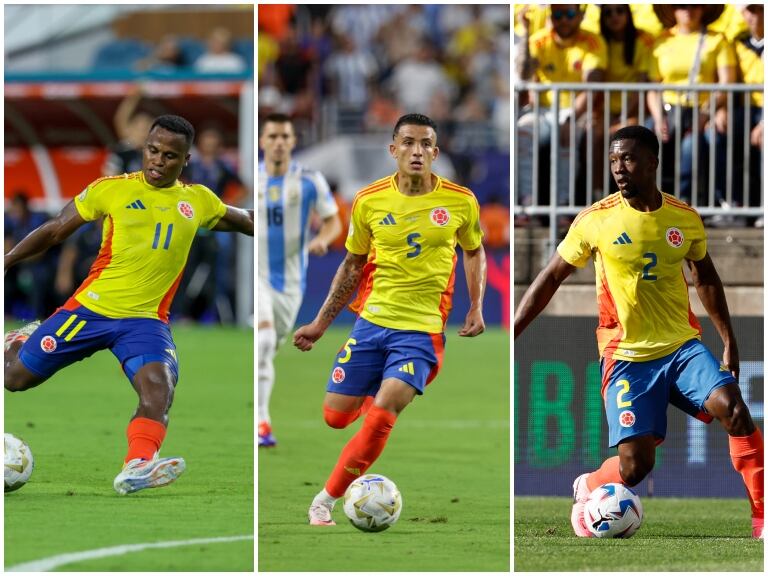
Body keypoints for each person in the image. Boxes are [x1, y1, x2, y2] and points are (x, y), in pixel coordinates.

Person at [513, 125, 764, 539]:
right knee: (635, 467)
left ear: (652, 162)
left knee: (734, 410)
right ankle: (592, 485)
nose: (619, 168)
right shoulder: (596, 220)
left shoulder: (683, 218)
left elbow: (705, 278)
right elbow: (551, 276)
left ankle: (762, 519)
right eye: (613, 160)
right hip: (626, 355)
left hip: (682, 348)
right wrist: (517, 327)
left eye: (627, 159)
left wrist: (729, 340)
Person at [4, 115, 254, 495]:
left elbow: (246, 220)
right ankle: (17, 342)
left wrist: (286, 220)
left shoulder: (198, 200)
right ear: (144, 149)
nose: (158, 161)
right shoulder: (111, 190)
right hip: (90, 310)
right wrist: (5, 263)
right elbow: (56, 229)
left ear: (185, 160)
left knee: (159, 389)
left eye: (170, 156)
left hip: (145, 322)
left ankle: (136, 466)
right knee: (15, 380)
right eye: (153, 151)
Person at [293, 113, 487, 526]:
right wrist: (320, 324)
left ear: (436, 151)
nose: (417, 151)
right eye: (409, 143)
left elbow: (473, 250)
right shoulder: (369, 200)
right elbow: (351, 265)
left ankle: (325, 500)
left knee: (382, 414)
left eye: (426, 144)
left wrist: (475, 306)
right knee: (335, 417)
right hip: (371, 324)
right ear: (393, 149)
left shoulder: (460, 200)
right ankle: (371, 412)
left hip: (421, 332)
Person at [257, 113, 342, 448]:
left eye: (284, 136)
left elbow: (333, 221)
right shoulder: (257, 180)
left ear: (293, 142)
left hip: (291, 284)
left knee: (269, 348)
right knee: (263, 344)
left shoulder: (309, 180)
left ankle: (258, 412)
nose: (278, 142)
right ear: (263, 141)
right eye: (272, 136)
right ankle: (262, 422)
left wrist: (323, 238)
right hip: (259, 277)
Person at [516, 4, 607, 207]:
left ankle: (563, 203)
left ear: (581, 15)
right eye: (557, 14)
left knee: (569, 136)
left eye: (569, 14)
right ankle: (526, 203)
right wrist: (526, 33)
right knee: (523, 131)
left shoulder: (592, 42)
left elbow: (592, 84)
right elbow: (523, 74)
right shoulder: (538, 39)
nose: (563, 20)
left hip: (576, 111)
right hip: (542, 111)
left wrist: (571, 117)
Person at [647, 5, 736, 206]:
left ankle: (686, 202)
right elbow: (652, 87)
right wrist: (659, 118)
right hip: (668, 111)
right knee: (642, 138)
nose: (689, 9)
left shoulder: (718, 40)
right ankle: (644, 201)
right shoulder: (661, 40)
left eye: (695, 4)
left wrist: (706, 114)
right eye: (681, 4)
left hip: (703, 110)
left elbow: (726, 83)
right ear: (672, 10)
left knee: (692, 146)